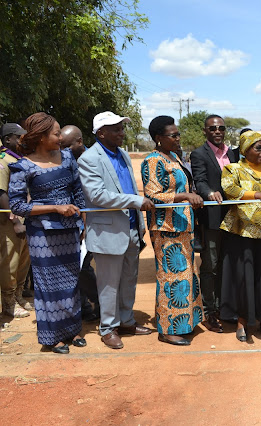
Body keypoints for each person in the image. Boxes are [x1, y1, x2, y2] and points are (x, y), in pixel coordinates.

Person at [8, 113, 85, 354]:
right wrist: (55, 207)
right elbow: (17, 206)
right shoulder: (23, 166)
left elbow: (78, 192)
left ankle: (72, 330)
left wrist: (82, 223)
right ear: (41, 137)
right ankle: (52, 337)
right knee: (48, 285)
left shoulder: (68, 157)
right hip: (42, 235)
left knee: (71, 281)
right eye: (56, 133)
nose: (61, 138)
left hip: (70, 229)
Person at [78, 111, 154, 350]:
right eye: (116, 129)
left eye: (122, 128)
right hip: (107, 232)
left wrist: (139, 222)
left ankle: (126, 321)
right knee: (109, 284)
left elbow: (128, 186)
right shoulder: (89, 158)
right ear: (101, 133)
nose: (122, 133)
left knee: (129, 280)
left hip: (131, 227)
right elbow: (97, 195)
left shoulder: (123, 154)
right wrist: (135, 201)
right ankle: (108, 328)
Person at [219, 131, 261, 342]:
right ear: (245, 149)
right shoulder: (233, 169)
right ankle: (242, 321)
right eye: (258, 148)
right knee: (244, 277)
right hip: (243, 232)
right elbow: (230, 190)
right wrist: (256, 195)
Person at [143, 116, 205, 345]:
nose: (178, 138)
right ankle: (167, 329)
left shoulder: (175, 157)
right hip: (165, 228)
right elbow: (153, 195)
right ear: (158, 138)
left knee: (186, 275)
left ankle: (185, 323)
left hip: (183, 225)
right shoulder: (152, 161)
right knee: (170, 277)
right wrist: (185, 196)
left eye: (178, 134)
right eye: (173, 135)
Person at [189, 114, 240, 333]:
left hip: (234, 218)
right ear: (205, 131)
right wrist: (209, 193)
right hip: (211, 219)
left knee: (228, 264)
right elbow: (199, 180)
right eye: (212, 128)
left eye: (221, 128)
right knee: (210, 265)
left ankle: (224, 308)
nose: (217, 131)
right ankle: (209, 312)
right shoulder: (199, 154)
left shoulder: (233, 154)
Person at [60, 124, 100, 322]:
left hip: (91, 222)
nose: (64, 150)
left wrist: (84, 224)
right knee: (73, 267)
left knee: (84, 267)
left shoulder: (93, 160)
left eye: (67, 146)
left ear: (79, 142)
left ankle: (99, 301)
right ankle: (83, 307)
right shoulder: (62, 161)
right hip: (70, 222)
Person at [0, 123, 32, 318]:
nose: (23, 140)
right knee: (10, 261)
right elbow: (1, 193)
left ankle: (19, 295)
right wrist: (15, 221)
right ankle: (8, 302)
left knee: (23, 260)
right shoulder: (3, 161)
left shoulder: (19, 159)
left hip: (25, 217)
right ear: (7, 140)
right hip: (10, 221)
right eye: (19, 137)